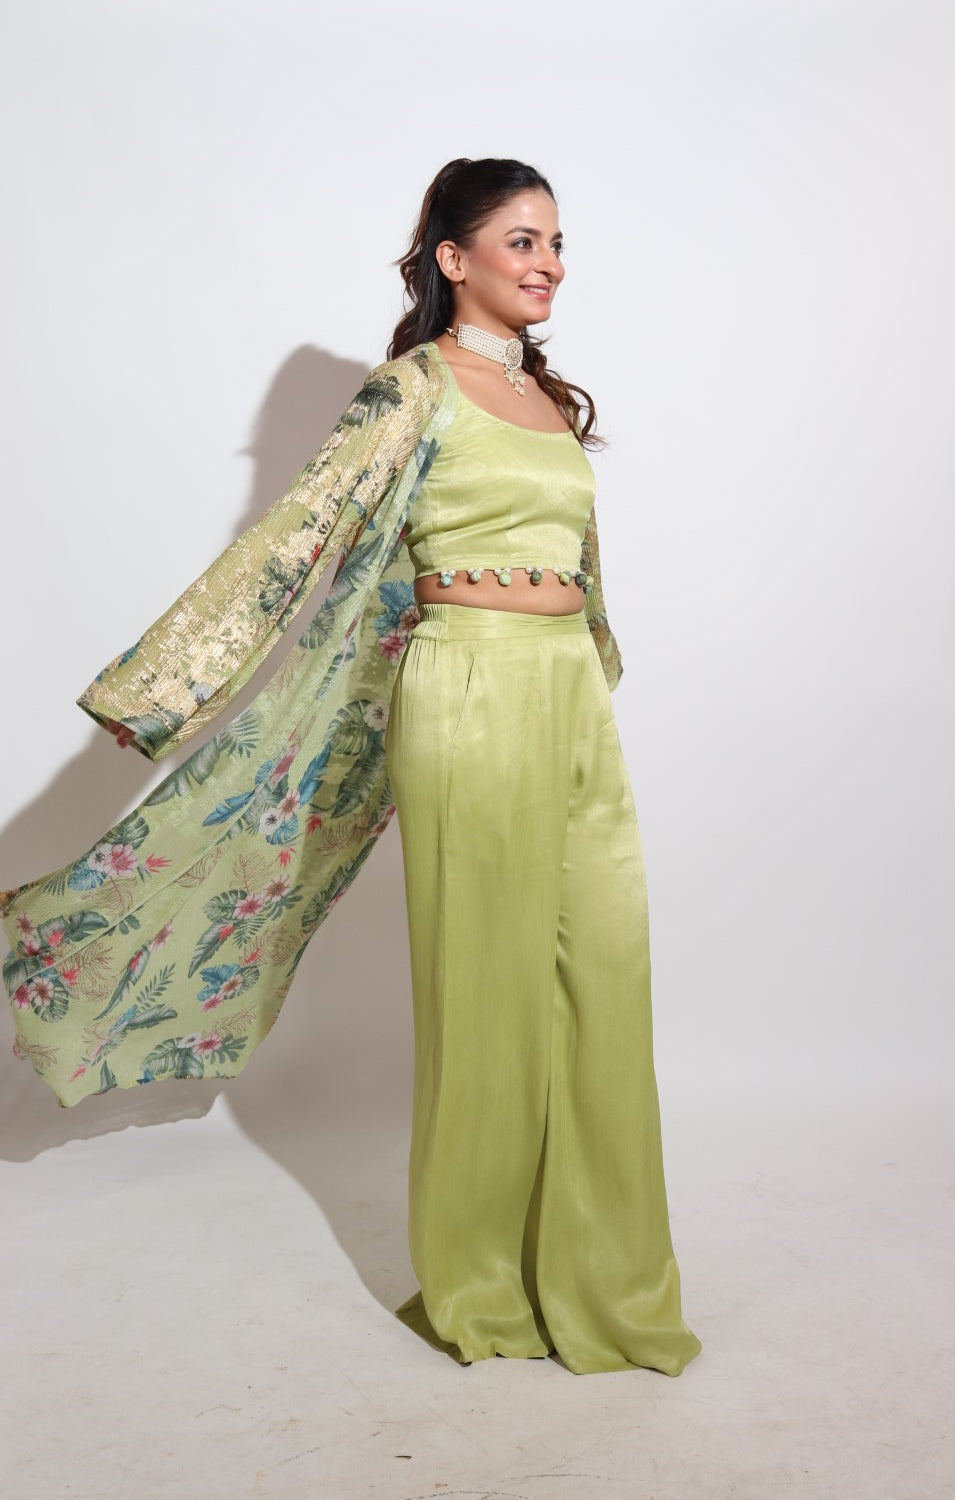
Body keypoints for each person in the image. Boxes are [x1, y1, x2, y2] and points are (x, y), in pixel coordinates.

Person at [1, 157, 702, 1377]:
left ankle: (606, 1280)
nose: (547, 263)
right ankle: (482, 1286)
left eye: (555, 242)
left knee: (606, 973)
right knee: (488, 992)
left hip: (569, 699)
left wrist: (591, 675)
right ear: (453, 258)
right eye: (522, 240)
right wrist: (162, 689)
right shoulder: (411, 391)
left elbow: (584, 569)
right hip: (466, 691)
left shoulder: (546, 396)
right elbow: (287, 542)